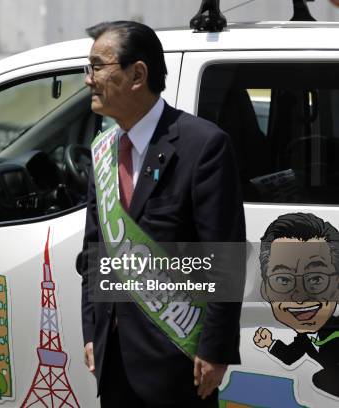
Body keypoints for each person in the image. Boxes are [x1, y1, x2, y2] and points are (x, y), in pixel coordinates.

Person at [78, 21, 245, 407]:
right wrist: (92, 332)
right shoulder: (103, 149)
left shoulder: (202, 145)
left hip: (177, 358)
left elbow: (225, 257)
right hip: (114, 357)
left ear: (137, 74)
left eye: (97, 67)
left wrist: (215, 349)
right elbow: (94, 253)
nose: (89, 80)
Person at [254, 213, 339, 397]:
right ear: (265, 290)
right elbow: (289, 356)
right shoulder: (304, 338)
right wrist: (269, 343)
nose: (300, 297)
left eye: (316, 279)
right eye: (284, 280)